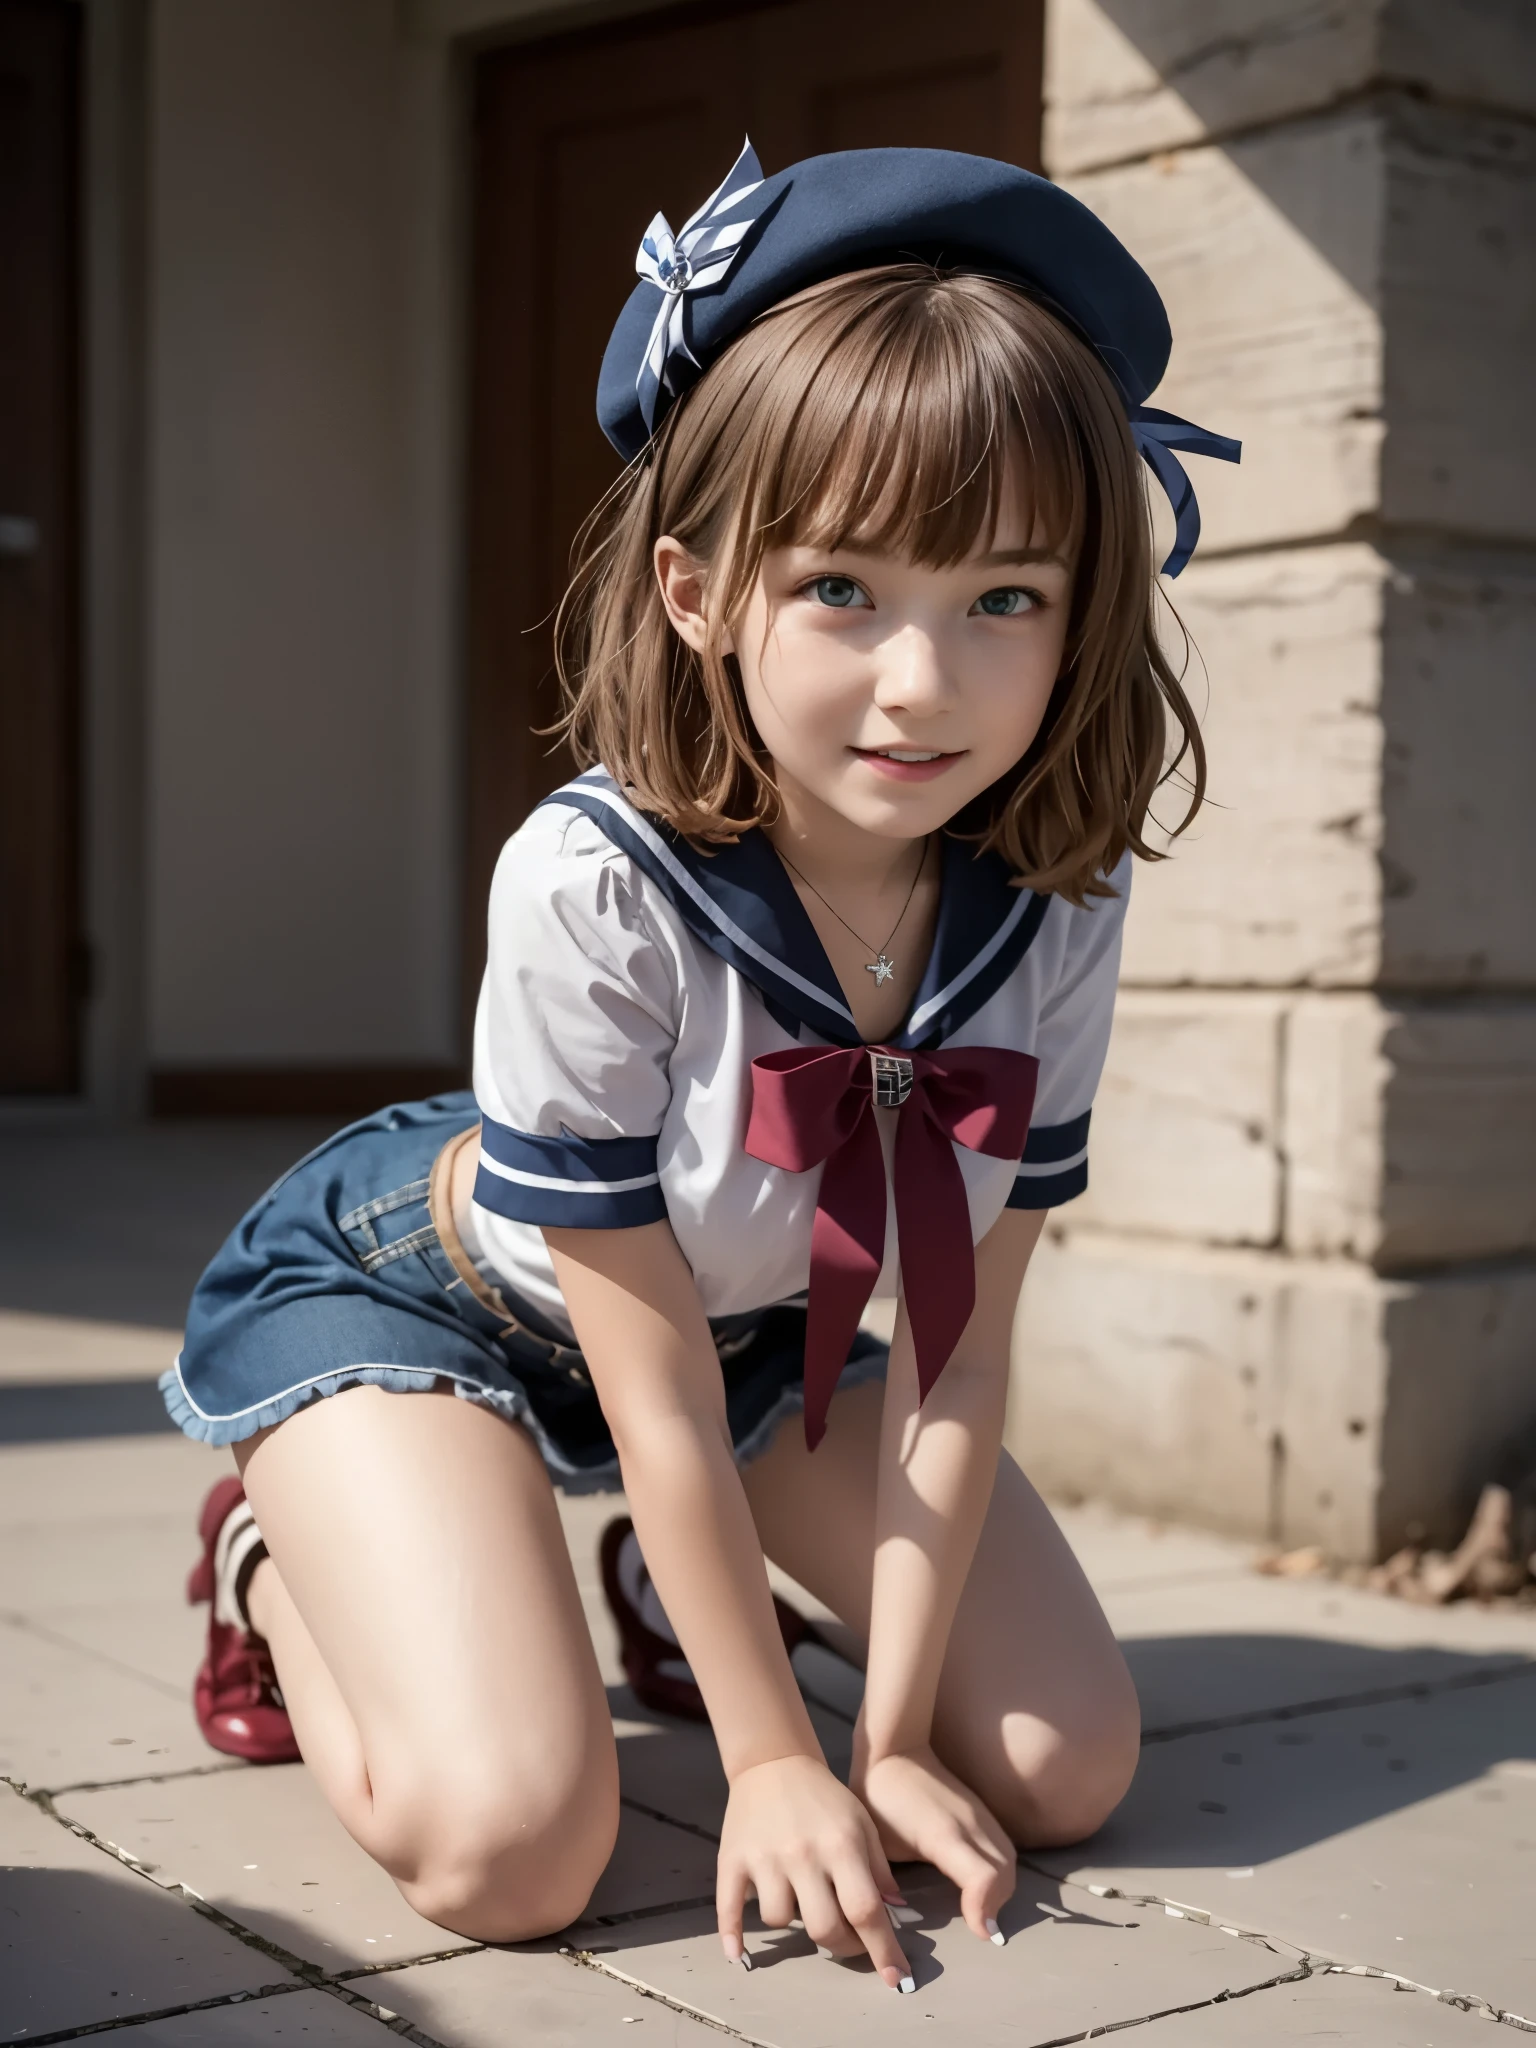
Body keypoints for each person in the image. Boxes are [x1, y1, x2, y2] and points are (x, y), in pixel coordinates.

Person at [165, 143, 1238, 1992]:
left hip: (759, 1336)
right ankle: (276, 1550)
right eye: (842, 588)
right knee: (514, 1854)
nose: (923, 684)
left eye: (1007, 598)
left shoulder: (1056, 898)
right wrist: (763, 1761)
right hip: (439, 1305)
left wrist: (880, 1739)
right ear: (696, 590)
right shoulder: (594, 883)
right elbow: (643, 1389)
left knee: (1066, 1766)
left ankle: (683, 1592)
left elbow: (962, 1353)